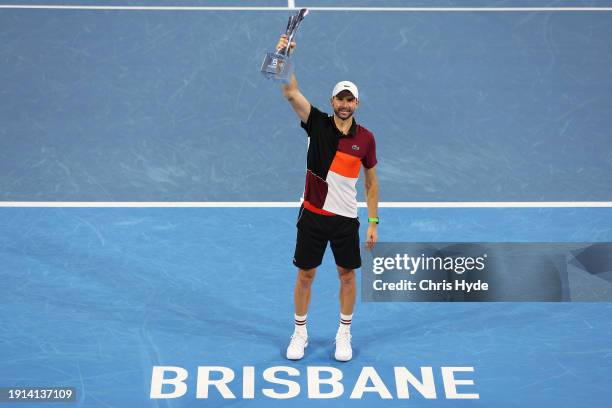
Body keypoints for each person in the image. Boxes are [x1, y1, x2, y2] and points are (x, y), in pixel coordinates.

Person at [275, 35, 379, 362]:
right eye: (340, 99)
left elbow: (372, 184)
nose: (345, 104)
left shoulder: (366, 139)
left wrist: (373, 222)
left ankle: (344, 333)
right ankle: (300, 332)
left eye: (350, 100)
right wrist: (284, 55)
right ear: (332, 101)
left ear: (357, 104)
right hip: (313, 215)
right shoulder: (316, 123)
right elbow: (290, 91)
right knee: (305, 275)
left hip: (346, 220)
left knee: (347, 276)